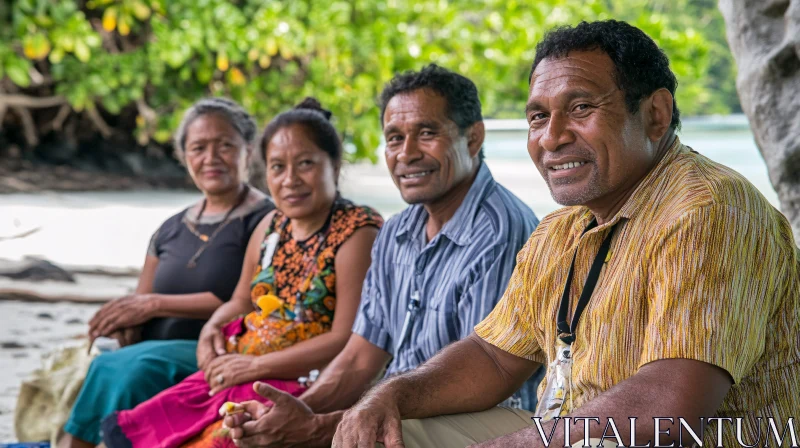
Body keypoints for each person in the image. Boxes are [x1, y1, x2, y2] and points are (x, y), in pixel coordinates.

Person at [332, 20, 800, 448]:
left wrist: (520, 445)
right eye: (537, 116)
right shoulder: (564, 226)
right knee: (389, 430)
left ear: (656, 114)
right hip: (574, 430)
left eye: (580, 107)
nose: (552, 137)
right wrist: (388, 394)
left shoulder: (709, 209)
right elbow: (493, 358)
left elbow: (669, 406)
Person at [222, 65, 541, 448]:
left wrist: (320, 429)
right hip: (402, 406)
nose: (406, 154)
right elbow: (361, 356)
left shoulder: (499, 230)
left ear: (473, 138)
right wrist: (298, 412)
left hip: (486, 417)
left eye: (426, 133)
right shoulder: (397, 231)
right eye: (394, 138)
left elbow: (476, 382)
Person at [99, 98, 383, 448]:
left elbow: (344, 338)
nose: (290, 179)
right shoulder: (270, 226)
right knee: (148, 425)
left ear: (335, 165)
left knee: (224, 436)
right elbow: (239, 301)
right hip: (244, 362)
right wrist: (210, 330)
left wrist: (254, 367)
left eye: (306, 164)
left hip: (299, 377)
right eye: (278, 167)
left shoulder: (356, 232)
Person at [60, 98, 274, 448]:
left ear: (248, 150)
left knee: (129, 369)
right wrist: (124, 323)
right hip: (152, 346)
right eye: (198, 148)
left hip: (218, 347)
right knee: (109, 359)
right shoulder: (169, 228)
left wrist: (156, 305)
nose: (211, 157)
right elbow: (140, 301)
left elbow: (252, 301)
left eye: (225, 145)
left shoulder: (267, 220)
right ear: (183, 156)